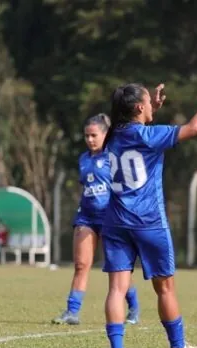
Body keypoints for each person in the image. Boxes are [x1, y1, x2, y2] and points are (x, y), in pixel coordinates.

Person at [101, 81, 197, 348]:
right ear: (139, 107)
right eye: (148, 103)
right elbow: (194, 129)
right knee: (165, 289)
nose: (152, 105)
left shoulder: (113, 134)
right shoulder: (149, 135)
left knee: (116, 289)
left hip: (115, 222)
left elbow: (139, 131)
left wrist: (151, 112)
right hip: (148, 222)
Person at [51, 114, 140, 326]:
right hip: (86, 217)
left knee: (117, 267)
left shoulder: (114, 155)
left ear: (105, 134)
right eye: (86, 135)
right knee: (81, 265)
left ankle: (134, 307)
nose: (90, 139)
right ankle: (72, 312)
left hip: (111, 218)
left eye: (94, 135)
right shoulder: (84, 159)